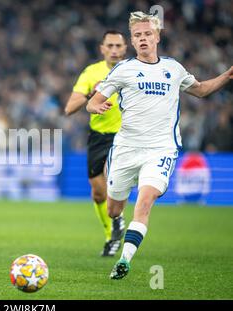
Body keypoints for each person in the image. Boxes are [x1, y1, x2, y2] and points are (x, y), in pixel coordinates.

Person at [87, 11, 233, 279]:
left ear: (157, 36)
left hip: (161, 149)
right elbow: (92, 101)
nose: (142, 39)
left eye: (147, 34)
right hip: (126, 149)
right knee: (113, 208)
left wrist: (227, 75)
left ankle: (124, 260)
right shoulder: (124, 70)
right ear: (132, 41)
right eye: (137, 36)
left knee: (145, 200)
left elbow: (200, 90)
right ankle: (118, 224)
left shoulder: (173, 69)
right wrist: (97, 106)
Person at [65, 31, 128, 257]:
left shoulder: (134, 70)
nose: (114, 50)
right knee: (99, 193)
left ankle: (118, 221)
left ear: (125, 47)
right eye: (109, 45)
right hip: (98, 136)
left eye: (118, 45)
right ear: (102, 48)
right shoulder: (92, 72)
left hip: (125, 136)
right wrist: (92, 93)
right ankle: (111, 234)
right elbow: (69, 108)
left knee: (113, 182)